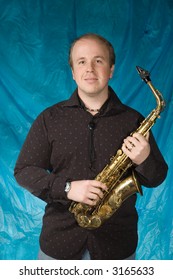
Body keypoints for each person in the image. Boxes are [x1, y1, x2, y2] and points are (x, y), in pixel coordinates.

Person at [14, 33, 168, 260]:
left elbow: (156, 177)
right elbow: (24, 171)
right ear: (73, 73)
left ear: (111, 70)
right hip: (59, 245)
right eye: (82, 61)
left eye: (99, 60)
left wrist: (145, 158)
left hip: (117, 247)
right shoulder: (49, 119)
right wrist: (67, 188)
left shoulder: (133, 121)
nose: (90, 68)